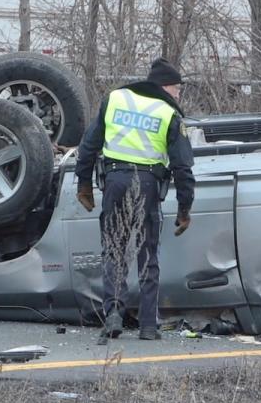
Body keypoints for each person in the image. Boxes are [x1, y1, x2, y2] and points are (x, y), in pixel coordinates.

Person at [75, 58, 196, 341]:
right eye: (178, 89)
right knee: (147, 253)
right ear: (166, 87)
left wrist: (84, 184)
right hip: (148, 185)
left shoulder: (115, 99)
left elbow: (89, 145)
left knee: (114, 251)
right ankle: (148, 326)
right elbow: (182, 167)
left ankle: (114, 314)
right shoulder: (169, 113)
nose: (179, 95)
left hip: (115, 183)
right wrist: (184, 208)